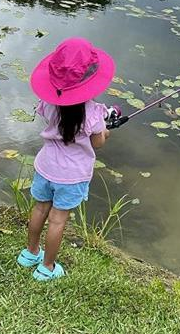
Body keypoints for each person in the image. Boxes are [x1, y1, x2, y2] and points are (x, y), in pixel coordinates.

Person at [17, 37, 116, 281]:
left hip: (45, 167)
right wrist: (105, 132)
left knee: (40, 209)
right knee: (58, 220)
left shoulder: (48, 103)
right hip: (71, 177)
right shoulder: (93, 113)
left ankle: (30, 253)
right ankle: (47, 268)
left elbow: (49, 117)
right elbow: (97, 141)